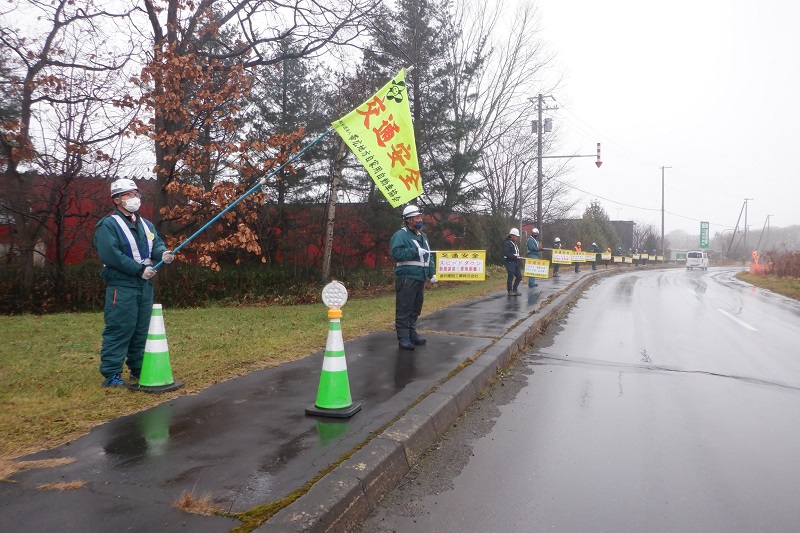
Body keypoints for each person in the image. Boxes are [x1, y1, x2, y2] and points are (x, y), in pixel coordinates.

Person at [94, 178, 174, 387]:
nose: (135, 198)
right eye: (130, 194)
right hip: (122, 286)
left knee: (142, 330)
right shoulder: (108, 225)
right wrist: (139, 270)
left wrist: (163, 253)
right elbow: (111, 255)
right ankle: (112, 374)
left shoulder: (146, 224)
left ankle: (139, 370)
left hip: (144, 286)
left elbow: (155, 244)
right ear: (117, 199)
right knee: (120, 328)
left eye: (137, 194)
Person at [391, 205, 436, 351]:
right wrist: (415, 251)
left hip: (420, 277)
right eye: (417, 218)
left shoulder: (423, 236)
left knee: (415, 308)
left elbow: (429, 256)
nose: (420, 220)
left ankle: (412, 334)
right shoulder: (401, 235)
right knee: (405, 308)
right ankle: (403, 338)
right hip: (407, 277)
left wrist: (432, 273)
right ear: (409, 220)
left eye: (420, 217)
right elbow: (397, 253)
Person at [503, 228, 522, 296]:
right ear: (512, 235)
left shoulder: (514, 243)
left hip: (515, 262)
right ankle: (510, 291)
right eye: (516, 236)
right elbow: (507, 253)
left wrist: (518, 257)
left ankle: (515, 289)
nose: (517, 238)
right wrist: (514, 257)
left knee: (519, 276)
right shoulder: (507, 243)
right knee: (511, 276)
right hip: (509, 262)